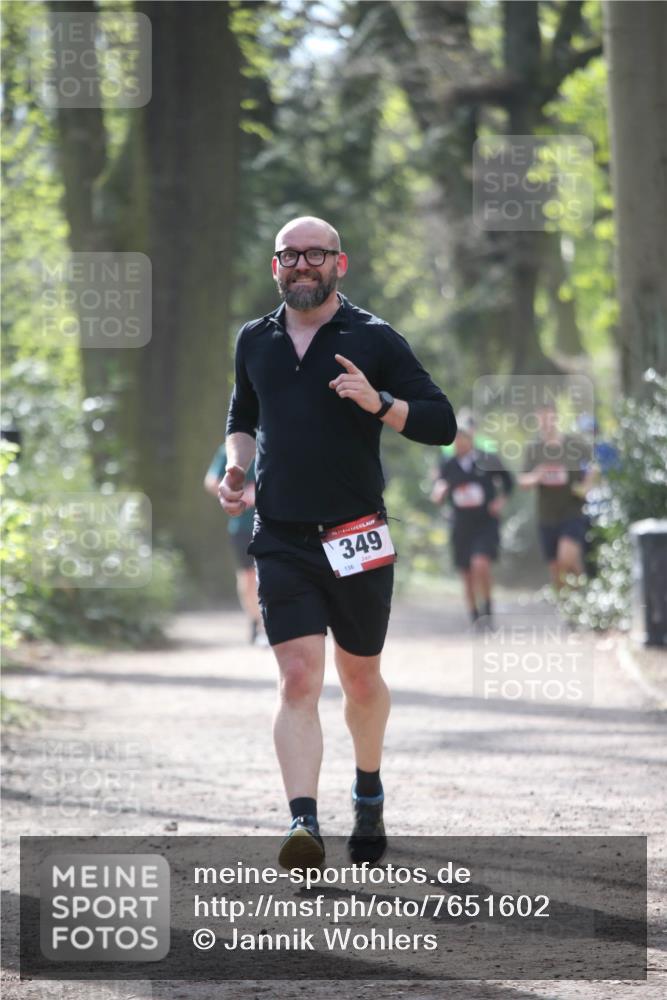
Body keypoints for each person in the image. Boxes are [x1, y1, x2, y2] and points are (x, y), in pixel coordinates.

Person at [218, 216, 456, 870]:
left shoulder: (373, 338)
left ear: (338, 264)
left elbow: (440, 423)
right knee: (297, 678)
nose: (301, 265)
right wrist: (237, 468)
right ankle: (303, 823)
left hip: (357, 533)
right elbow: (242, 417)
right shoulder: (255, 340)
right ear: (275, 267)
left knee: (361, 678)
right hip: (282, 536)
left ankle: (369, 789)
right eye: (289, 256)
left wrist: (377, 401)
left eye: (314, 255)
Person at [431, 409, 514, 625]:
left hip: (485, 522)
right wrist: (439, 492)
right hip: (461, 524)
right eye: (456, 436)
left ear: (472, 436)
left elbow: (508, 482)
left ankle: (487, 608)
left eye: (464, 435)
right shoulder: (448, 464)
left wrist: (500, 501)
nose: (460, 440)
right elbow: (441, 484)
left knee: (481, 565)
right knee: (466, 573)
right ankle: (474, 616)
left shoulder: (487, 459)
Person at [518, 403, 594, 589]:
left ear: (556, 418)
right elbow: (523, 481)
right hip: (546, 515)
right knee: (557, 570)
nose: (546, 422)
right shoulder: (534, 449)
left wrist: (586, 486)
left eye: (549, 417)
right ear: (537, 420)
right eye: (542, 418)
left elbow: (594, 467)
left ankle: (585, 599)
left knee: (565, 559)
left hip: (572, 511)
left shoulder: (574, 444)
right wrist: (537, 476)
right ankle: (574, 605)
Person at [204, 445, 266, 646]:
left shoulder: (279, 442)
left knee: (268, 574)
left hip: (273, 525)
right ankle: (256, 622)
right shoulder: (231, 450)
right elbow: (212, 482)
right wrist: (239, 495)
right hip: (242, 526)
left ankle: (269, 625)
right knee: (248, 577)